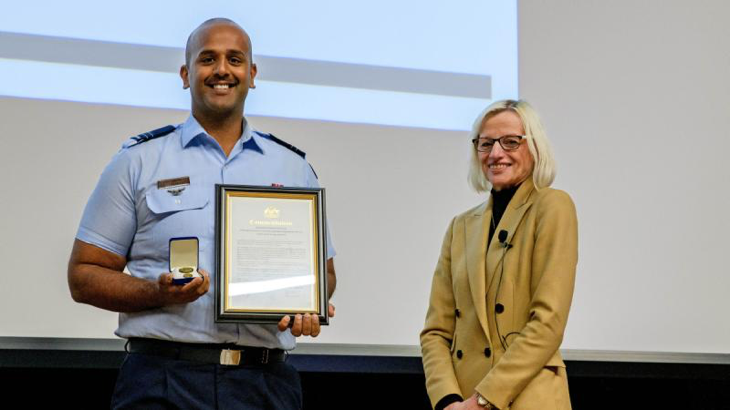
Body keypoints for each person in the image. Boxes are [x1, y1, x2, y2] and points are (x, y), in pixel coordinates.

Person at [67, 18, 336, 409]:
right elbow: (84, 275)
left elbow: (324, 274)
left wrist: (307, 305)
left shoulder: (293, 168)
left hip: (264, 386)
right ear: (185, 73)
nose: (222, 70)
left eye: (235, 59)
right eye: (207, 59)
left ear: (252, 74)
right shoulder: (137, 161)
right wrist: (156, 293)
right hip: (162, 381)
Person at [420, 100, 577, 410]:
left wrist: (482, 400)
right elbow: (436, 331)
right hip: (462, 400)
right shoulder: (461, 226)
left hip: (526, 397)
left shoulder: (552, 206)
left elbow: (548, 322)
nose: (495, 153)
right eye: (485, 143)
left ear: (535, 148)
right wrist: (448, 400)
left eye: (510, 142)